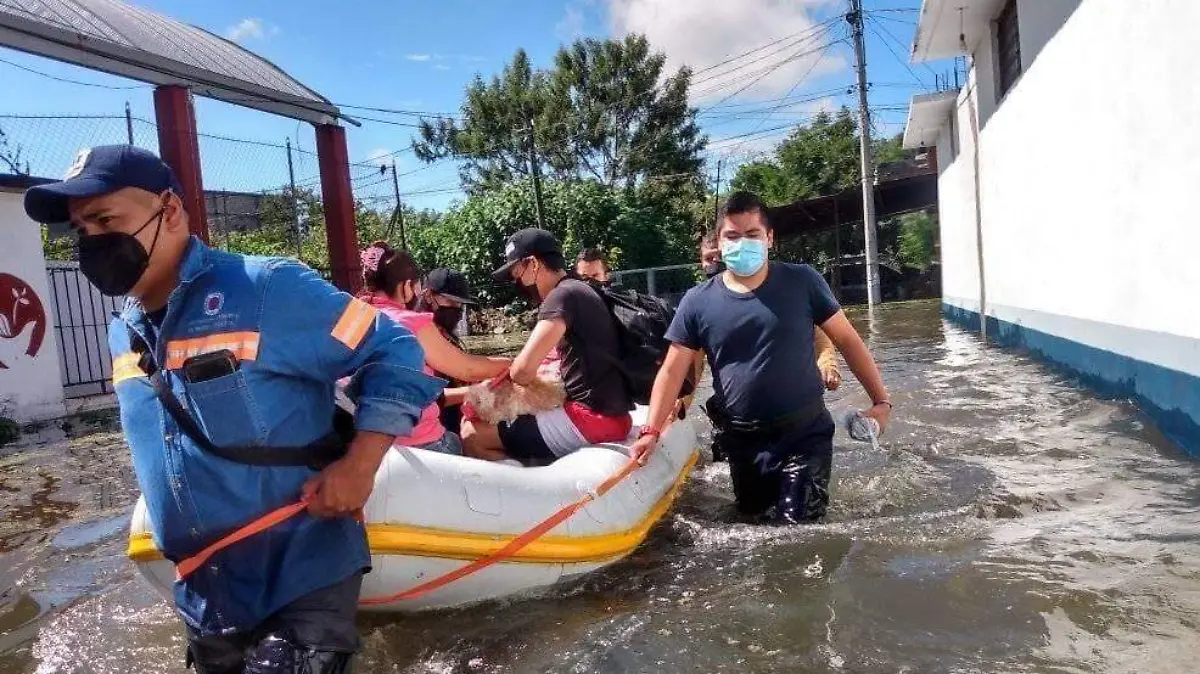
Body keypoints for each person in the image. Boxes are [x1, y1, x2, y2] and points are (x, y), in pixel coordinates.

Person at [22, 145, 444, 672]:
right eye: (82, 229)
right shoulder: (122, 331)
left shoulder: (265, 288)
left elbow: (396, 349)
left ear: (169, 210)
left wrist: (360, 465)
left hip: (298, 572)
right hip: (204, 590)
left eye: (106, 219)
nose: (93, 241)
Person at [629, 191, 892, 525]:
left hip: (804, 435)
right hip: (742, 443)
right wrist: (651, 430)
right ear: (720, 243)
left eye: (752, 234)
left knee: (796, 534)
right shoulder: (696, 302)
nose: (742, 243)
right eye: (732, 236)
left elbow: (849, 341)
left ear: (769, 238)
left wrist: (881, 401)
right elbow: (672, 370)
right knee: (753, 525)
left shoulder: (802, 281)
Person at [461, 228, 633, 465]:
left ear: (533, 264)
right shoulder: (583, 289)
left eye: (516, 272)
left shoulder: (560, 297)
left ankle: (521, 493)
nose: (516, 281)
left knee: (472, 434)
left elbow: (522, 372)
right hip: (614, 414)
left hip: (590, 419)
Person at [695, 230, 845, 463]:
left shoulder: (773, 293)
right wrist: (677, 404)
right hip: (738, 418)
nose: (714, 264)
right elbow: (689, 365)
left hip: (791, 413)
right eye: (708, 259)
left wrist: (828, 364)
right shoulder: (702, 303)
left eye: (718, 257)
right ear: (700, 262)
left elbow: (818, 334)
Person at [358, 244, 510, 454]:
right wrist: (520, 364)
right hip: (419, 442)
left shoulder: (352, 317)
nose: (457, 310)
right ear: (407, 287)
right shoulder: (411, 323)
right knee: (476, 440)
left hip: (365, 441)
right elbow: (468, 369)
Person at [418, 267, 479, 435]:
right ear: (429, 296)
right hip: (437, 433)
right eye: (451, 302)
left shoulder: (444, 333)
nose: (457, 309)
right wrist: (475, 391)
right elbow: (429, 398)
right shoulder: (419, 336)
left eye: (460, 304)